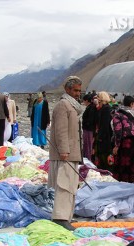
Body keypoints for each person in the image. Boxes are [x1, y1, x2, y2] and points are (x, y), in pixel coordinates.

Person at [48, 76, 83, 231]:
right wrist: (64, 150)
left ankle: (66, 215)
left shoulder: (73, 105)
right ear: (67, 89)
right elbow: (61, 130)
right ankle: (60, 217)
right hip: (65, 153)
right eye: (75, 90)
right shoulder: (63, 105)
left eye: (79, 91)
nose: (77, 93)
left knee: (71, 185)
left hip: (72, 152)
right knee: (64, 185)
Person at [111, 95, 134, 183]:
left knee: (125, 161)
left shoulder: (118, 114)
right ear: (132, 104)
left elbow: (118, 130)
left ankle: (125, 182)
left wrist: (116, 146)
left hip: (126, 141)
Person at [92, 91, 113, 171]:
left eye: (98, 97)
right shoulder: (103, 109)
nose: (97, 99)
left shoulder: (106, 110)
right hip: (102, 137)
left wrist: (100, 137)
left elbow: (104, 125)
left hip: (104, 139)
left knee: (104, 156)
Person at [82, 93, 96, 160]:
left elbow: (90, 120)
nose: (83, 102)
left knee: (88, 145)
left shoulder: (91, 108)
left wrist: (85, 124)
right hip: (87, 129)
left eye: (84, 101)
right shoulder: (90, 107)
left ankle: (87, 159)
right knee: (86, 144)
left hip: (88, 129)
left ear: (87, 100)